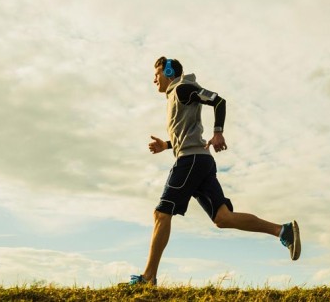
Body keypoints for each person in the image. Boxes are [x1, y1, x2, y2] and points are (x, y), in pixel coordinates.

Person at [127, 56, 301, 286]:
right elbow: (187, 133)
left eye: (157, 73)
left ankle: (148, 278)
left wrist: (218, 132)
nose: (154, 79)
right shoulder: (177, 95)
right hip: (200, 160)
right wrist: (167, 145)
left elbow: (218, 101)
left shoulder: (182, 89)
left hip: (191, 161)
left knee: (161, 213)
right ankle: (283, 231)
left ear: (169, 71)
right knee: (222, 218)